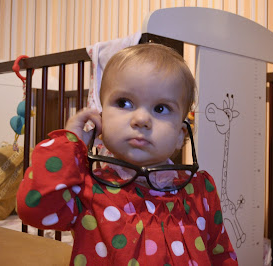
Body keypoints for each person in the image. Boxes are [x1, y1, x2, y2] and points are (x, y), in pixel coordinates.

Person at [17, 43, 238, 265]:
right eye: (124, 102)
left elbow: (221, 255)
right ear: (100, 123)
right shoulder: (85, 189)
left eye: (160, 108)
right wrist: (69, 142)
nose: (141, 119)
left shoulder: (200, 192)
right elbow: (33, 207)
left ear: (181, 135)